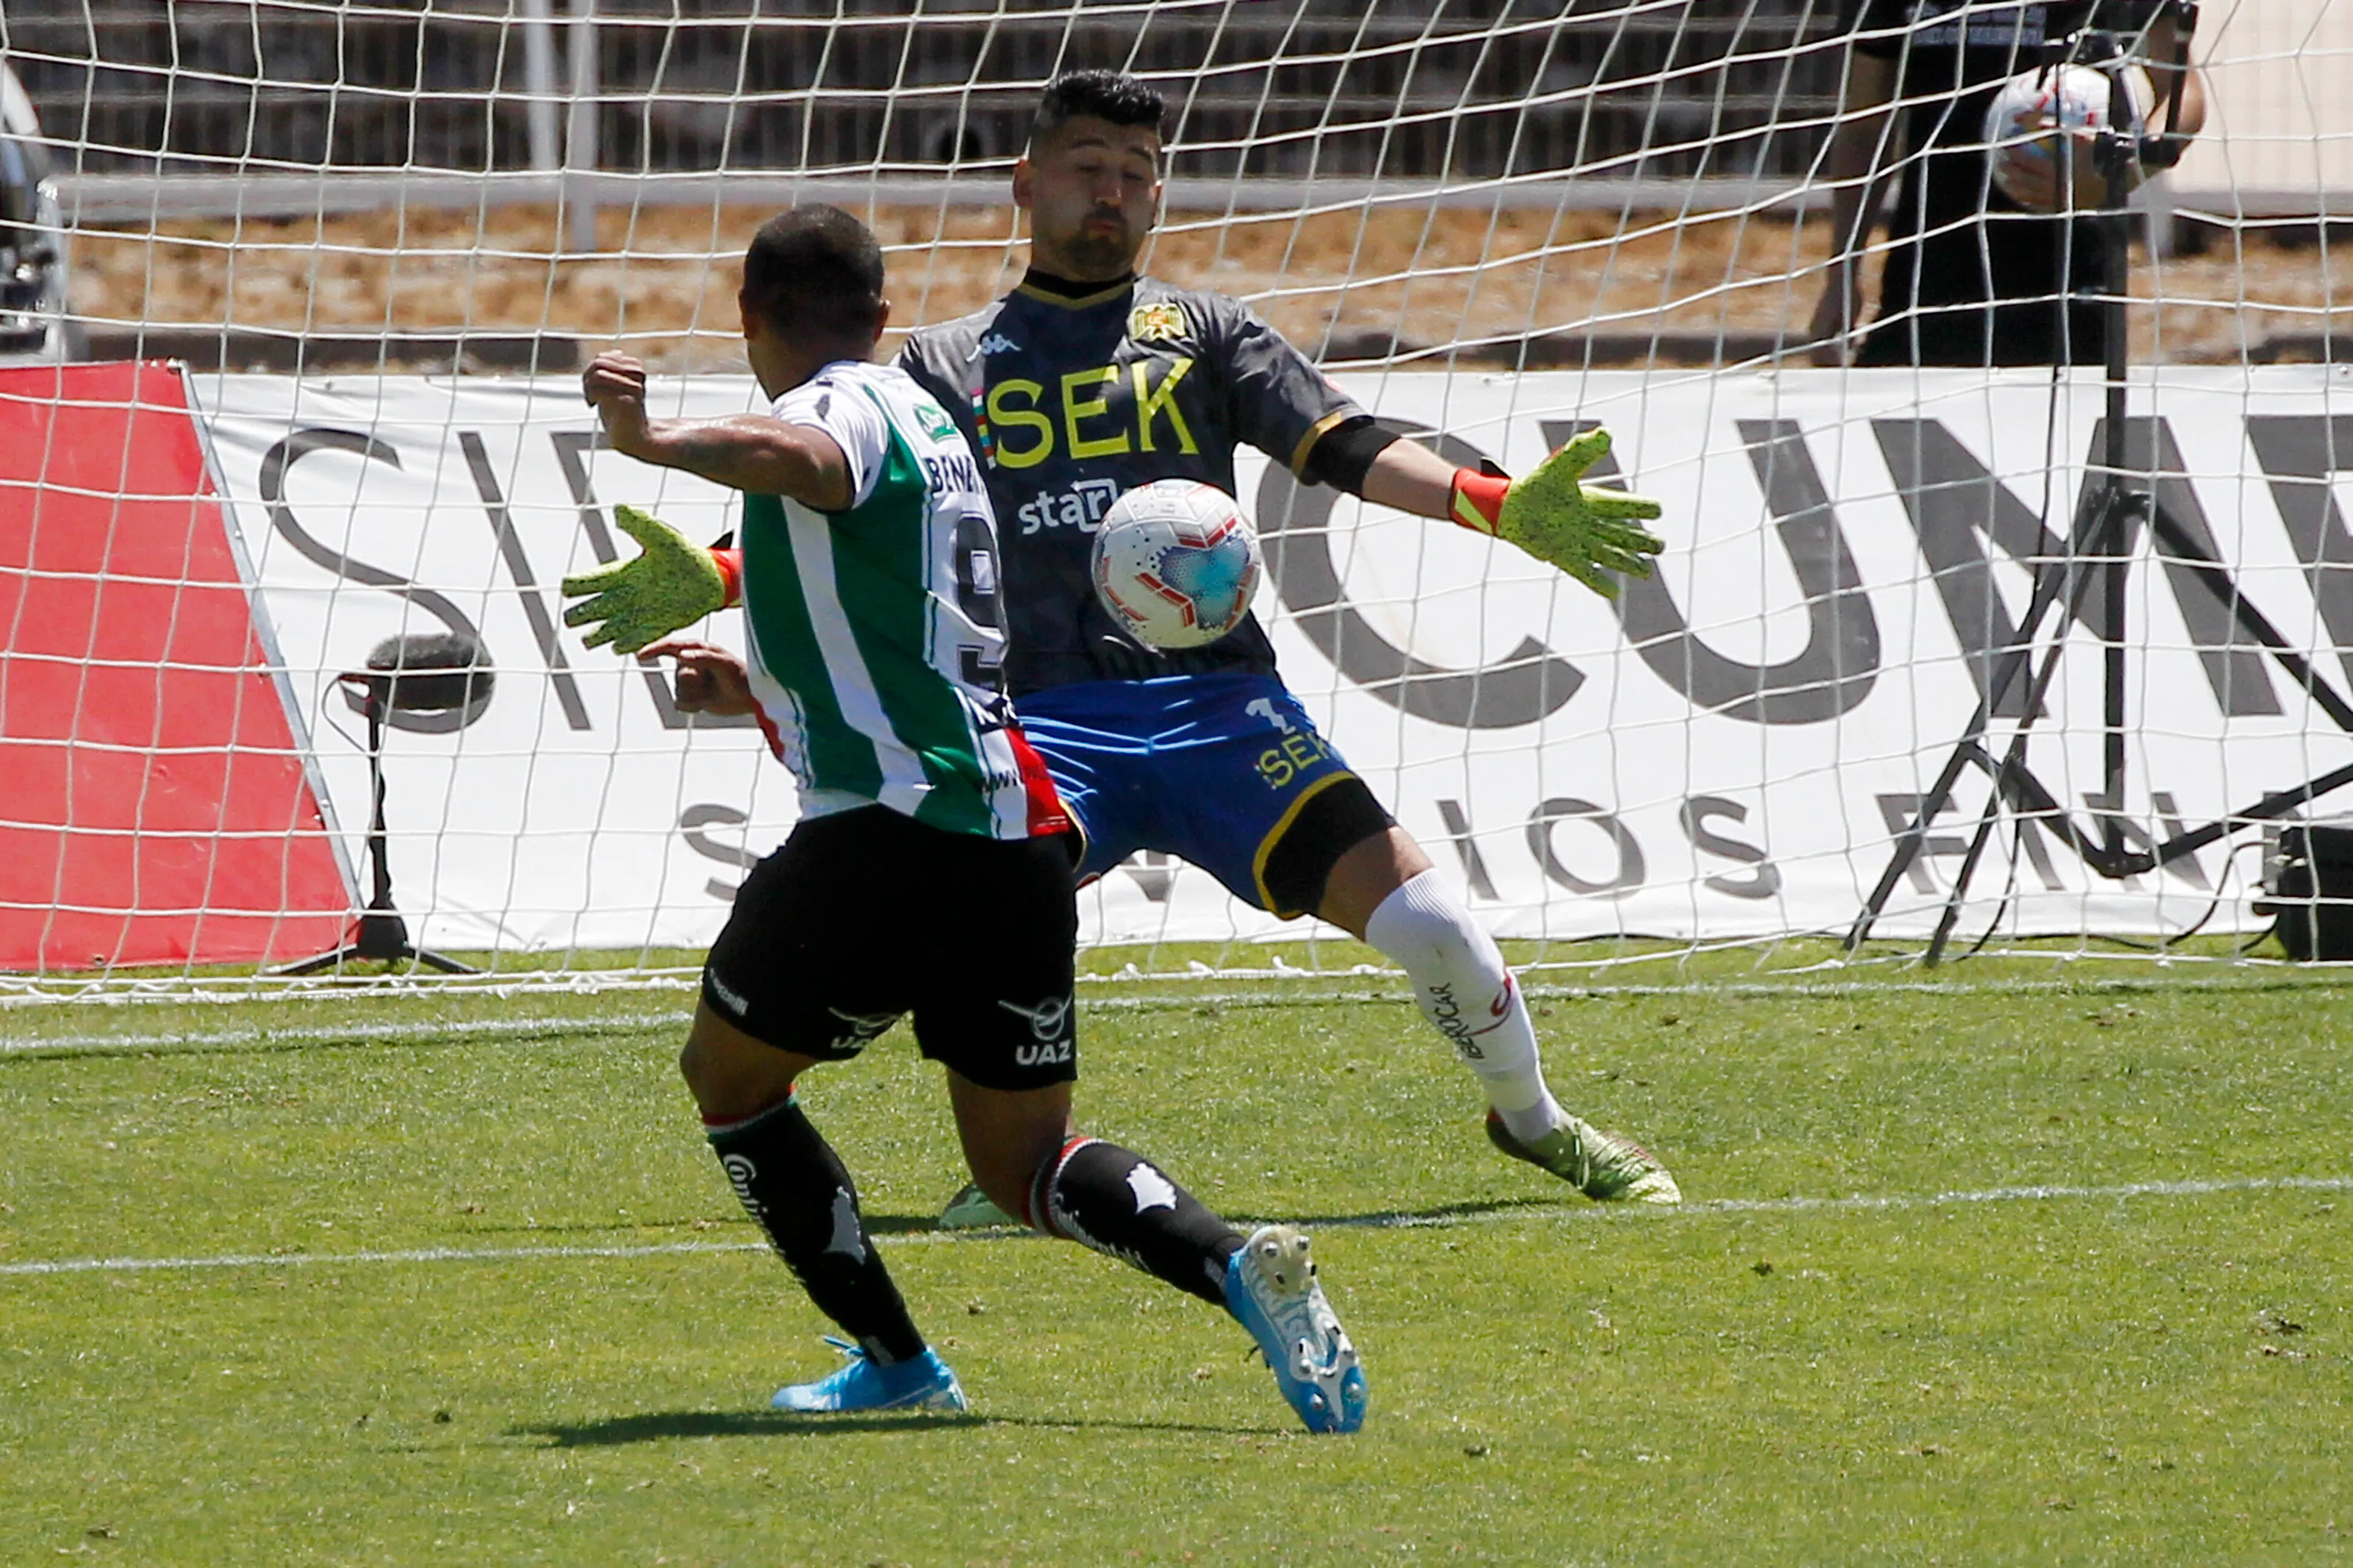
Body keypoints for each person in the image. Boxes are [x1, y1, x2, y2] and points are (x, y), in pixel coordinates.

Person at [563, 204, 1367, 1433]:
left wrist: (657, 438)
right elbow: (903, 631)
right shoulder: (938, 422)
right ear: (884, 317)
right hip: (1012, 829)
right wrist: (764, 692)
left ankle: (896, 1363)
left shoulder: (835, 405)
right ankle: (1231, 1263)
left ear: (749, 317)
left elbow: (802, 461)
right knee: (1026, 1163)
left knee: (729, 1080)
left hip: (887, 838)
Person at [890, 71, 1682, 1223]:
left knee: (1434, 925)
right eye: (1085, 167)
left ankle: (1538, 1125)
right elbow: (846, 496)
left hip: (1222, 713)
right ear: (1024, 181)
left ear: (1158, 198)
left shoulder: (1205, 334)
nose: (1110, 192)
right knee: (969, 929)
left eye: (1134, 174)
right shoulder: (943, 364)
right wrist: (712, 574)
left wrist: (1493, 502)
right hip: (1041, 722)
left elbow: (1346, 444)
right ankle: (1030, 1161)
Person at [1810, 1, 2206, 368]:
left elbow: (2181, 93)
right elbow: (1864, 128)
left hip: (2068, 275)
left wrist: (2119, 173)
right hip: (1927, 275)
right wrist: (1841, 274)